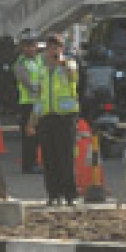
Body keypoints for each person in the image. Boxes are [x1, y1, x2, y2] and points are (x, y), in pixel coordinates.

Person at [27, 34, 79, 206]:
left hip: (65, 117)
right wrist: (32, 121)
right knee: (49, 159)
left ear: (61, 48)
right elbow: (39, 98)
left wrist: (61, 62)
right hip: (46, 118)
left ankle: (70, 195)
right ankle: (53, 194)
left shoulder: (69, 64)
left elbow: (72, 75)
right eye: (50, 48)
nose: (52, 51)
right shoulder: (42, 70)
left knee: (66, 158)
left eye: (56, 47)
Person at [13, 29, 44, 174]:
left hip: (39, 104)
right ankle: (28, 165)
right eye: (27, 45)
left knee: (38, 135)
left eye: (33, 45)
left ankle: (35, 162)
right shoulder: (20, 63)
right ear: (21, 47)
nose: (30, 48)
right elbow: (26, 82)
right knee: (29, 136)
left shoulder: (39, 60)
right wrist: (41, 88)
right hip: (28, 104)